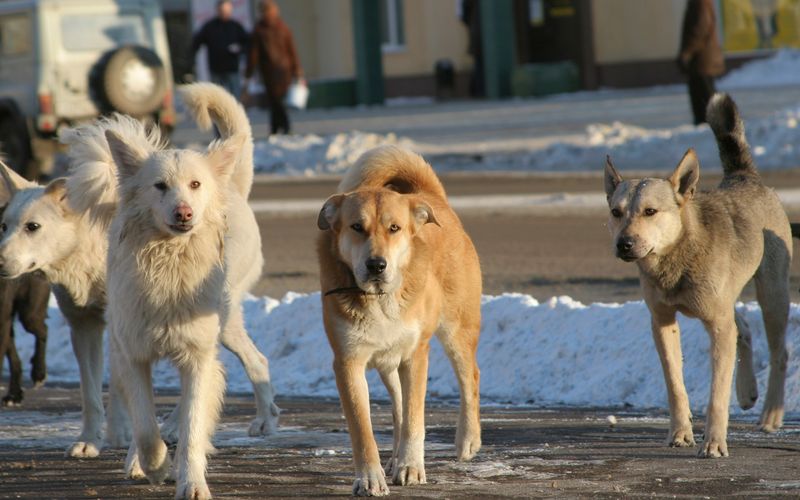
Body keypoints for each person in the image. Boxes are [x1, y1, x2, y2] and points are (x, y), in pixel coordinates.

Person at [244, 0, 303, 135]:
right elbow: (292, 51)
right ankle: (278, 127)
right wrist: (297, 69)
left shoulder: (261, 29)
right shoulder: (281, 27)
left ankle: (281, 126)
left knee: (275, 100)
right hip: (282, 70)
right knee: (276, 100)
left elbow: (253, 55)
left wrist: (249, 73)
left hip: (271, 71)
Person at [678, 0, 725, 125]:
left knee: (704, 98)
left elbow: (699, 28)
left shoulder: (699, 3)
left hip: (702, 59)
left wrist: (687, 52)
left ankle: (712, 126)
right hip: (703, 58)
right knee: (706, 97)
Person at [191, 0, 249, 98]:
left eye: (226, 11)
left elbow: (247, 43)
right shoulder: (210, 27)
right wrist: (191, 59)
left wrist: (239, 49)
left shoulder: (236, 26)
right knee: (217, 98)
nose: (224, 14)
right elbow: (197, 42)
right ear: (218, 10)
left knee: (235, 97)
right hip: (216, 69)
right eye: (222, 11)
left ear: (230, 11)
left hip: (232, 69)